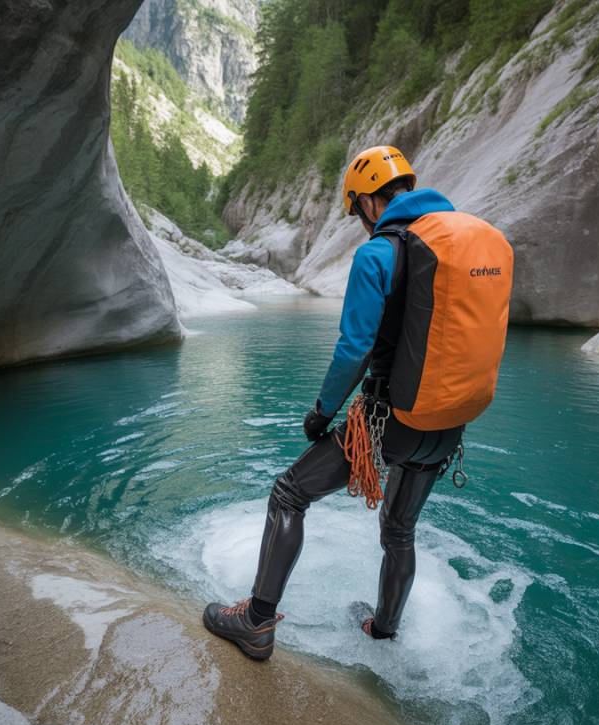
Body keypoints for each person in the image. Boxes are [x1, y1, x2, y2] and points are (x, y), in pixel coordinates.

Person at [203, 145, 514, 661]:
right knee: (399, 528)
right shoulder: (462, 246)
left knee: (288, 494)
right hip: (450, 422)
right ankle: (383, 630)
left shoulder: (378, 253)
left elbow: (355, 348)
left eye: (356, 211)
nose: (359, 223)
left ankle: (256, 622)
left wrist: (322, 413)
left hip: (387, 420)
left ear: (370, 202)